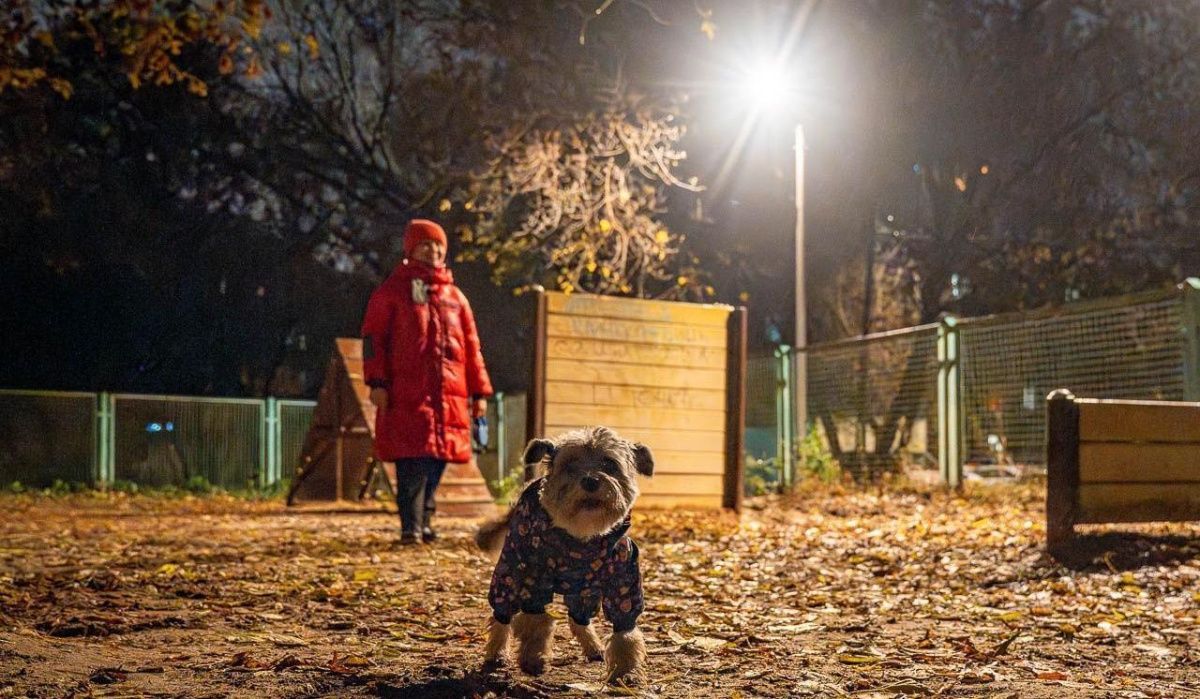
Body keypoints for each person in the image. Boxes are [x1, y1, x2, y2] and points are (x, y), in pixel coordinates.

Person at [361, 219, 493, 545]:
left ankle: (426, 519)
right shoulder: (391, 292)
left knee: (438, 460)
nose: (432, 251)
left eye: (437, 246)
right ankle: (412, 527)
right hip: (407, 393)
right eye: (425, 245)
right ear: (410, 250)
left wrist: (479, 392)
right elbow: (372, 339)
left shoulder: (456, 298)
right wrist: (377, 381)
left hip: (448, 396)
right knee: (411, 460)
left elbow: (472, 348)